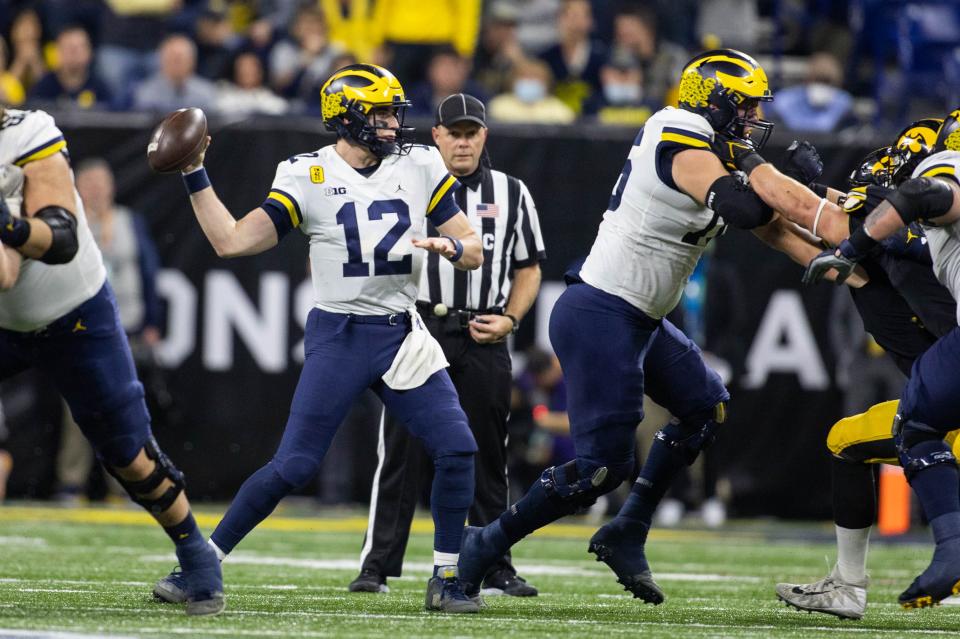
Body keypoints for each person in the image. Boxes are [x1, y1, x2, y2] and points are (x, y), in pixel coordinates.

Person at [456, 48, 852, 603]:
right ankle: (483, 546)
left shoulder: (716, 147)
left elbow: (771, 229)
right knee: (602, 468)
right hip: (601, 310)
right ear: (712, 103)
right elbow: (745, 209)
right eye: (744, 108)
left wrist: (824, 253)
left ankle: (628, 529)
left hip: (641, 317)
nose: (752, 120)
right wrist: (806, 202)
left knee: (703, 406)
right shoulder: (676, 129)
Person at [151, 63, 485, 614]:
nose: (390, 124)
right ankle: (199, 565)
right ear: (345, 118)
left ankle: (446, 576)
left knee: (457, 447)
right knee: (295, 465)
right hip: (342, 332)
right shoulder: (305, 175)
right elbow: (232, 242)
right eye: (378, 113)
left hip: (402, 330)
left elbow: (472, 247)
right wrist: (195, 174)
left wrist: (451, 249)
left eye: (391, 113)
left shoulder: (421, 164)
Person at [0, 106, 222, 615]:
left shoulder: (28, 132)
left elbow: (59, 237)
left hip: (71, 309)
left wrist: (9, 226)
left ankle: (196, 556)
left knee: (128, 453)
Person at [349, 93, 544, 598]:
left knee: (486, 454)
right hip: (418, 329)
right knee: (401, 448)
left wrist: (511, 318)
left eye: (470, 132)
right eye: (452, 132)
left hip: (482, 331)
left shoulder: (512, 192)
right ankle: (377, 564)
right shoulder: (403, 180)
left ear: (484, 136)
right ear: (435, 135)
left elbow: (529, 268)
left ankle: (494, 563)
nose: (462, 141)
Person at [774, 118, 960, 619]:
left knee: (917, 432)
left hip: (951, 399)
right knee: (848, 439)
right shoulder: (900, 235)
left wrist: (756, 175)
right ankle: (848, 584)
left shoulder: (910, 228)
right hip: (946, 390)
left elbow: (846, 224)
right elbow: (853, 229)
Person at [28, 25, 113, 110]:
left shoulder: (102, 89)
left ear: (89, 51)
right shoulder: (43, 88)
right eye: (69, 48)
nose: (74, 53)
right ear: (57, 52)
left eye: (79, 48)